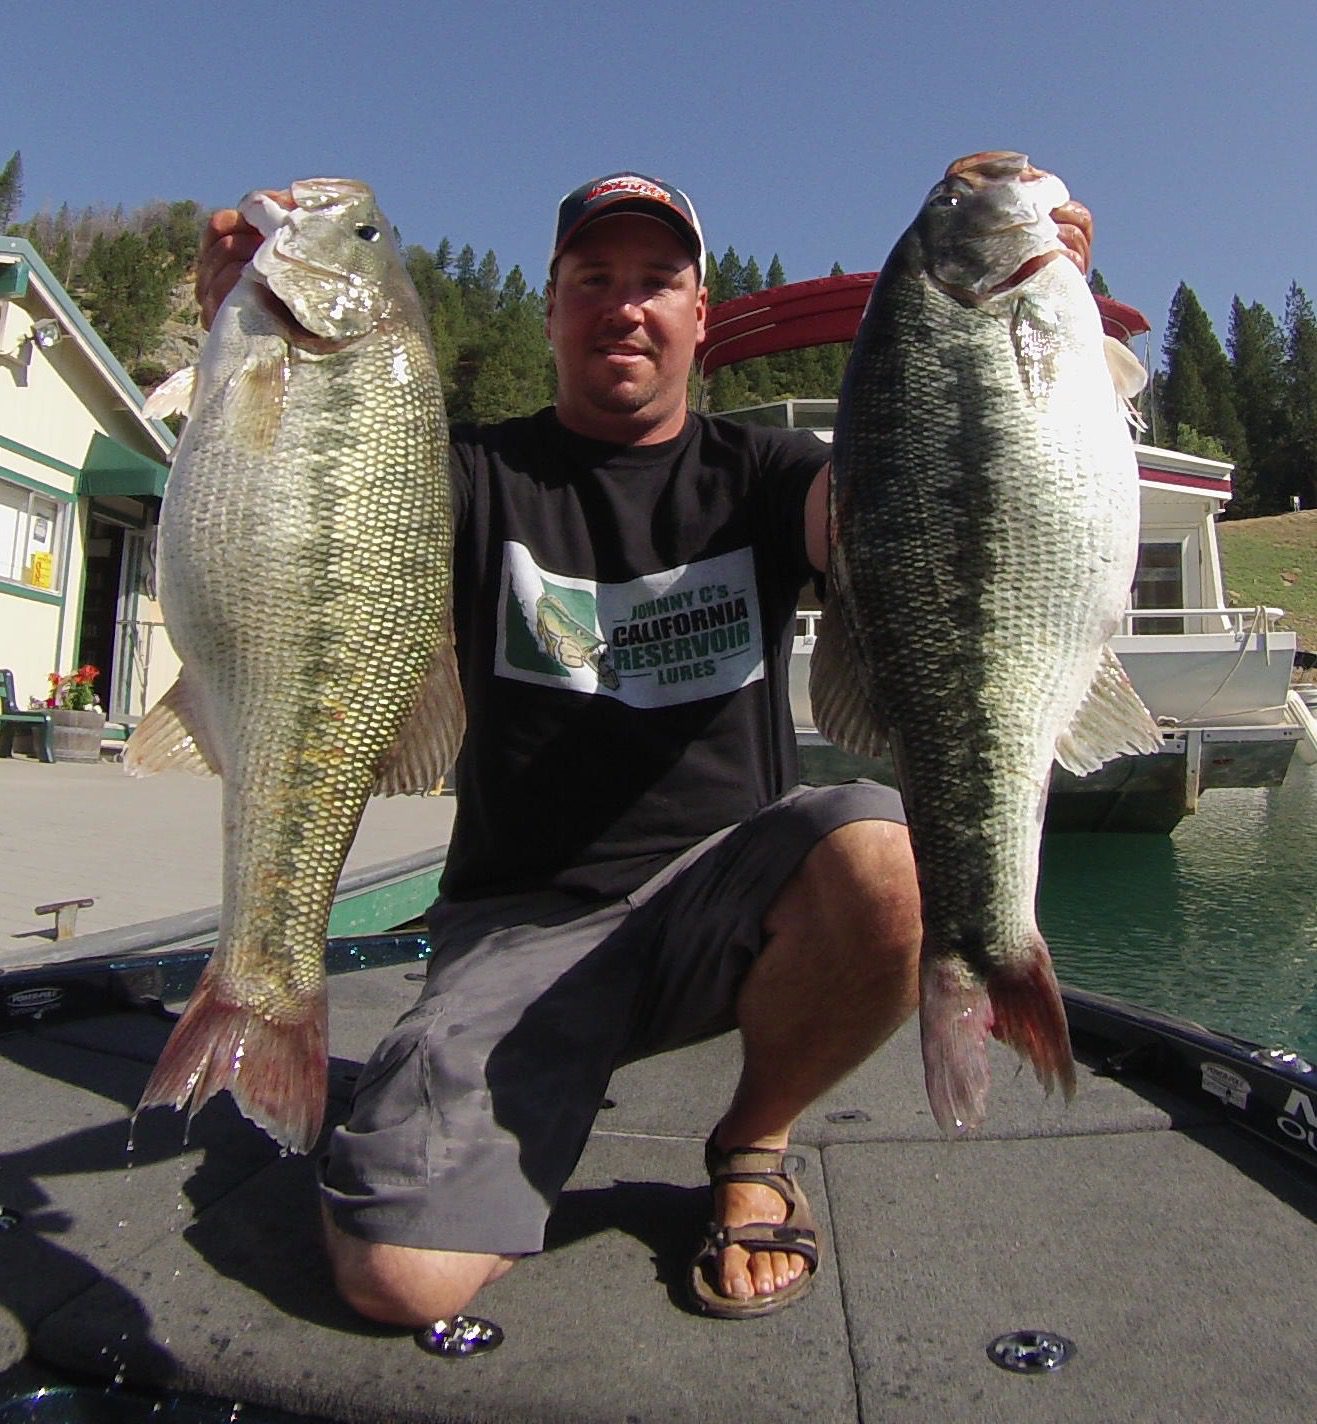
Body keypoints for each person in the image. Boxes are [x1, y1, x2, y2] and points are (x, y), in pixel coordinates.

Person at [195, 163, 1093, 1323]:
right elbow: (296, 510)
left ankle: (754, 1144)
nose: (626, 305)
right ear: (553, 305)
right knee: (394, 1279)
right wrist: (238, 329)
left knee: (888, 860)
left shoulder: (770, 476)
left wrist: (1035, 330)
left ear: (700, 315)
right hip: (521, 924)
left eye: (658, 281)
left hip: (731, 906)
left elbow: (908, 502)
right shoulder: (461, 475)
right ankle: (453, 1085)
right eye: (593, 278)